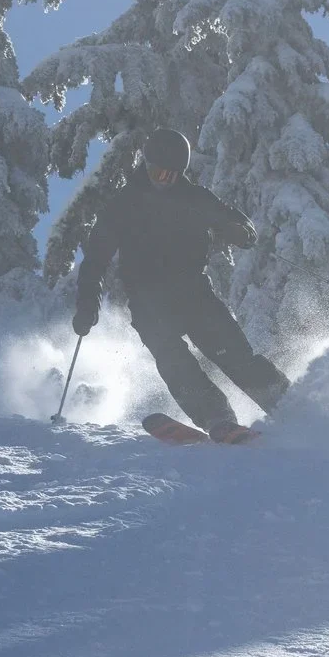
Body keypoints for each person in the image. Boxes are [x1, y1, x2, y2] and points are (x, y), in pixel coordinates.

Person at [72, 126, 287, 440]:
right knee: (172, 358)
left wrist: (239, 231)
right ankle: (216, 417)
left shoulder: (194, 197)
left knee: (236, 356)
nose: (164, 181)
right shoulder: (123, 205)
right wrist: (87, 304)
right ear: (146, 166)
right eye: (158, 173)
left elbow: (238, 222)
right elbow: (95, 261)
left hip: (193, 293)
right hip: (147, 299)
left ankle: (287, 406)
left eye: (172, 175)